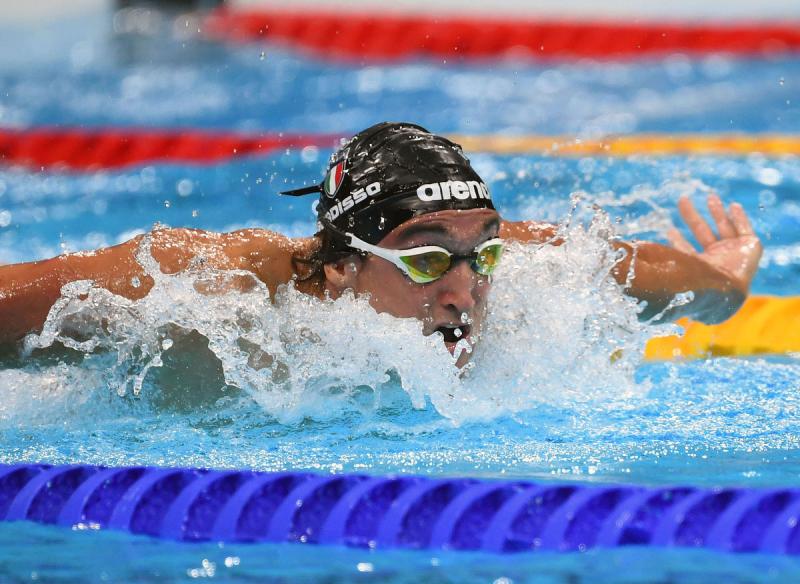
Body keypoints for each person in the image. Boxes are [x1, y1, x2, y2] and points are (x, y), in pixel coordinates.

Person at [0, 122, 762, 367]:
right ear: (341, 267)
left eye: (484, 253)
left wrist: (726, 281)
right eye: (429, 260)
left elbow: (662, 276)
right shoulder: (206, 291)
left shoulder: (500, 264)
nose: (466, 290)